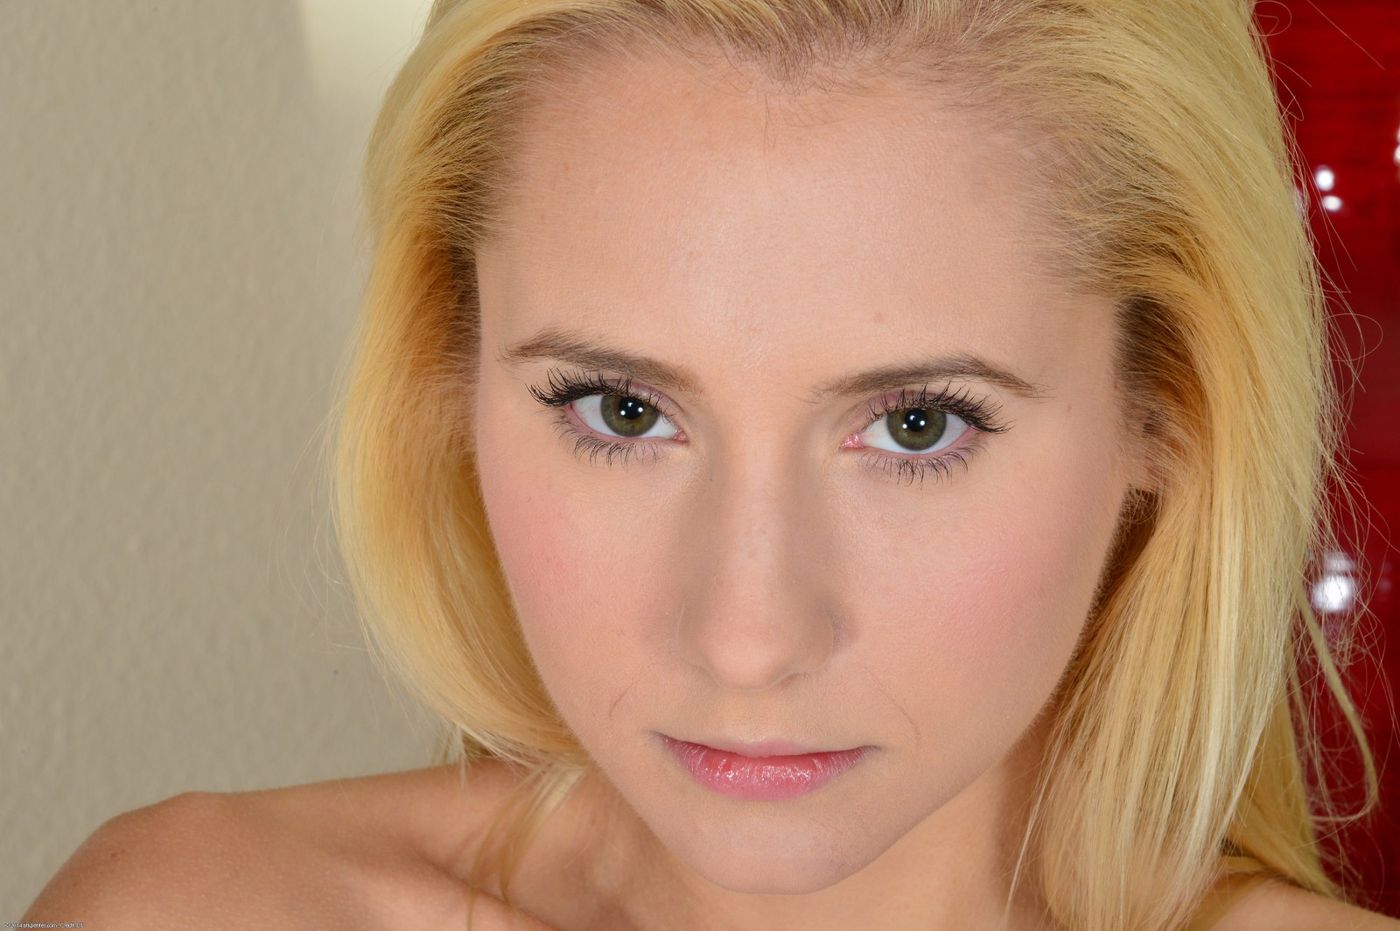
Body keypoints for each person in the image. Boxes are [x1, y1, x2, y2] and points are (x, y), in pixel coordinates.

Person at [22, 0, 1398, 928]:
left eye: (916, 426)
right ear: (449, 367)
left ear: (1168, 410)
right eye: (621, 411)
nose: (746, 638)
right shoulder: (197, 909)